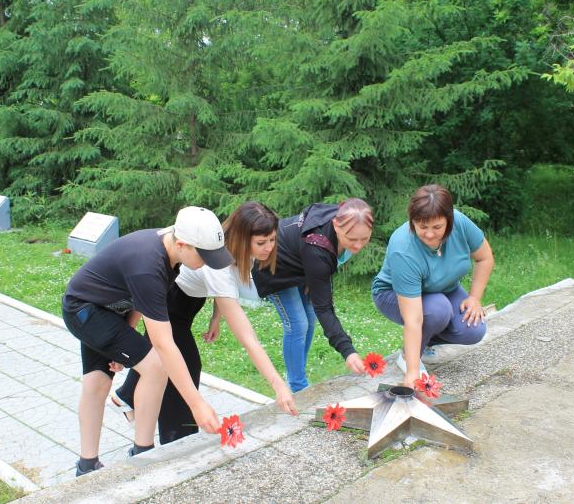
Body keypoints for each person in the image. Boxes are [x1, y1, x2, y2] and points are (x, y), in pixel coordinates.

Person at [61, 206, 233, 476]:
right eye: (205, 255)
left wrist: (123, 340)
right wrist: (197, 404)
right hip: (85, 311)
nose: (209, 262)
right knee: (155, 366)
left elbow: (139, 300)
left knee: (98, 380)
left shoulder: (169, 255)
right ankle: (143, 453)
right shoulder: (149, 264)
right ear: (182, 243)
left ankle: (87, 464)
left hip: (105, 309)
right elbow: (163, 343)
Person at [110, 202, 299, 443]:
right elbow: (247, 337)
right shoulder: (215, 260)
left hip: (187, 306)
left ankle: (125, 396)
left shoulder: (237, 254)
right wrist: (278, 385)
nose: (268, 248)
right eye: (261, 243)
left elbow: (225, 290)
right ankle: (178, 442)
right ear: (241, 239)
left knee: (167, 362)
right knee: (185, 367)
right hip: (170, 303)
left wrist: (215, 317)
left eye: (272, 240)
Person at [372, 184, 495, 388]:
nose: (429, 234)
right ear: (412, 222)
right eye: (422, 227)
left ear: (449, 219)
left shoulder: (461, 223)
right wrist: (412, 372)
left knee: (473, 330)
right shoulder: (403, 249)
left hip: (443, 288)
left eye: (437, 227)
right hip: (392, 294)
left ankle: (426, 340)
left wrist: (474, 298)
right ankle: (408, 356)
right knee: (438, 309)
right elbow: (413, 318)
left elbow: (485, 258)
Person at [253, 199, 374, 393]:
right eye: (351, 239)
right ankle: (298, 386)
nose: (358, 246)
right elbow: (324, 307)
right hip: (274, 267)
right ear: (336, 224)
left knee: (309, 321)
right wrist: (348, 351)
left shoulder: (346, 215)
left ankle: (296, 373)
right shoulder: (317, 249)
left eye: (364, 239)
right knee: (297, 325)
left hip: (302, 266)